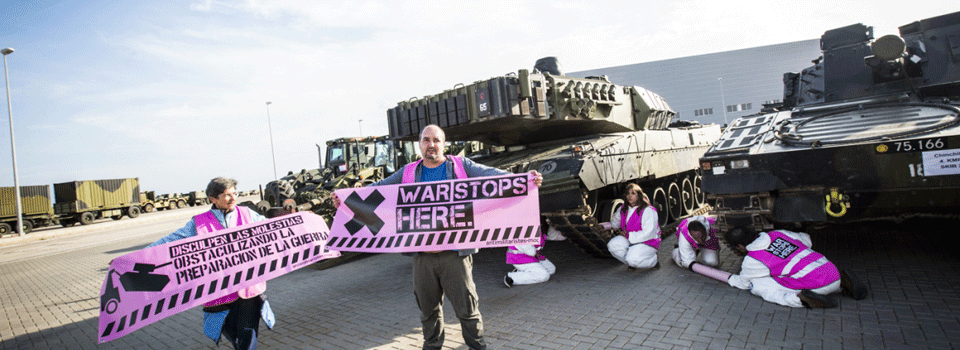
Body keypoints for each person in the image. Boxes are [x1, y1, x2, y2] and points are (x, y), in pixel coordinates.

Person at [366, 124, 543, 350]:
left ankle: (477, 347)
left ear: (444, 144)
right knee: (428, 313)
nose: (431, 145)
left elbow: (495, 177)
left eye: (436, 140)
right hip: (422, 257)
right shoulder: (408, 172)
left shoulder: (461, 166)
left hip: (455, 256)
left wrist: (525, 180)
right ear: (420, 144)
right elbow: (378, 191)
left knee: (467, 311)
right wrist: (347, 199)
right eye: (426, 140)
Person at [148, 177, 273, 350]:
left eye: (234, 193)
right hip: (218, 294)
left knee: (248, 338)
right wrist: (139, 257)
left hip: (248, 291)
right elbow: (171, 241)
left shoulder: (247, 214)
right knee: (234, 337)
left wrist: (303, 220)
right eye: (227, 195)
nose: (233, 198)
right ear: (213, 199)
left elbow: (275, 228)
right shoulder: (198, 223)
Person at [723, 226, 869, 308]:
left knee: (756, 285)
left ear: (741, 246)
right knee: (794, 269)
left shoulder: (752, 259)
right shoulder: (778, 233)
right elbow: (807, 240)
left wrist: (730, 279)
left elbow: (743, 283)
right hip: (831, 270)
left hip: (817, 285)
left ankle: (802, 299)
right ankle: (842, 284)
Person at [600, 183, 661, 269]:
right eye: (627, 193)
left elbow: (649, 233)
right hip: (630, 238)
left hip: (648, 241)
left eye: (633, 193)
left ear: (639, 195)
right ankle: (633, 262)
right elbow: (615, 223)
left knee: (632, 259)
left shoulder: (648, 210)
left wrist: (629, 235)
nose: (629, 196)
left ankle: (653, 261)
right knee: (613, 246)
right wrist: (603, 226)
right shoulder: (624, 208)